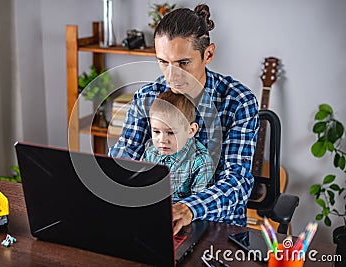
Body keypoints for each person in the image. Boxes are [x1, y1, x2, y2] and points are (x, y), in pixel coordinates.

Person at [109, 3, 259, 235]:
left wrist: (189, 208)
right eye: (163, 62)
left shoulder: (238, 101)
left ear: (208, 54)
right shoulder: (147, 96)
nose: (171, 75)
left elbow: (237, 182)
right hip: (157, 217)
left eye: (183, 63)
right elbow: (125, 155)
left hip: (218, 224)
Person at [141, 90, 215, 203]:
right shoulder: (150, 152)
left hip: (182, 216)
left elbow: (199, 203)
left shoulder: (201, 161)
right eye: (156, 131)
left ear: (191, 131)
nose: (162, 140)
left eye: (171, 133)